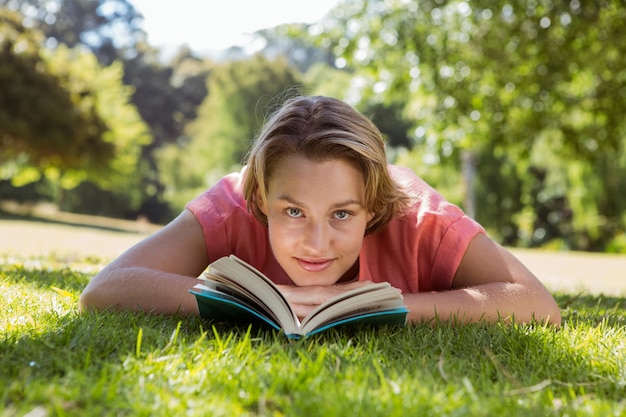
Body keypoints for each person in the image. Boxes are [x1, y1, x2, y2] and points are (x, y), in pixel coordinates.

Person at [79, 95, 561, 326]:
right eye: (292, 213)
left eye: (342, 214)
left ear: (372, 206)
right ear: (264, 199)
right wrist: (253, 304)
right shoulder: (234, 201)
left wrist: (385, 308)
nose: (315, 242)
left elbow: (537, 306)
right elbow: (105, 289)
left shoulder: (422, 215)